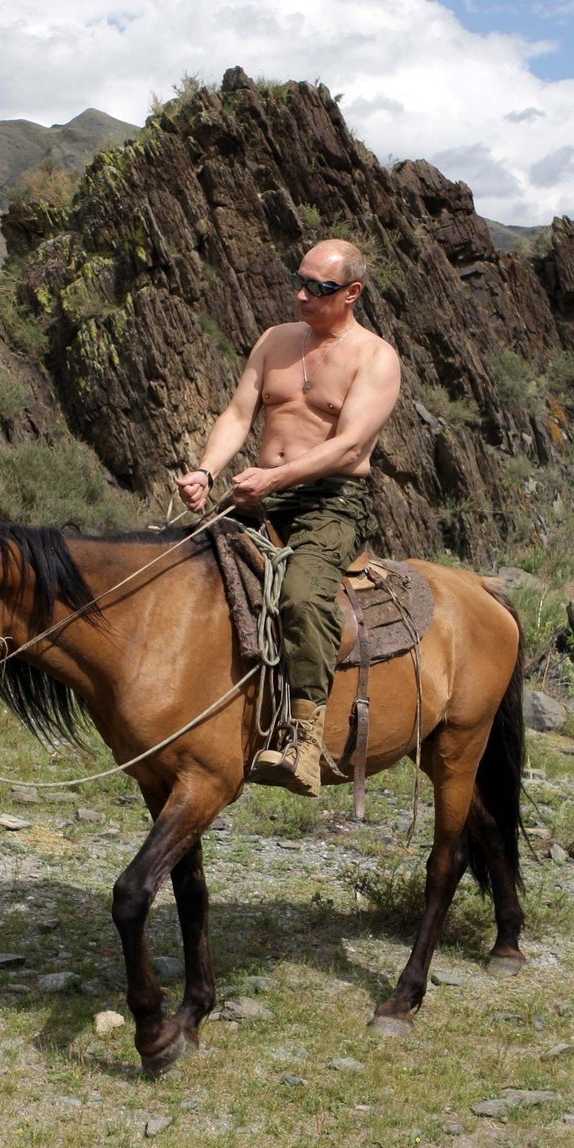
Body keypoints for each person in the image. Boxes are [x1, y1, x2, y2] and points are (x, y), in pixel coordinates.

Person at [175, 239, 403, 797]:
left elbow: (350, 447)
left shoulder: (376, 358)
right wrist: (207, 470)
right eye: (298, 282)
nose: (302, 295)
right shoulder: (276, 340)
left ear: (352, 293)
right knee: (177, 561)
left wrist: (274, 478)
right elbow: (237, 413)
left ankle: (304, 738)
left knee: (303, 594)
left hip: (332, 499)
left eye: (318, 288)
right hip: (262, 492)